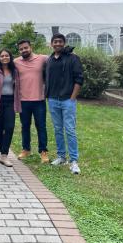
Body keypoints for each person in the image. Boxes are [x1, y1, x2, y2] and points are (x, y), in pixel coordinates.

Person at [45, 33, 84, 174]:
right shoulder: (49, 60)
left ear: (64, 43)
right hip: (53, 100)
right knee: (57, 129)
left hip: (68, 100)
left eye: (60, 42)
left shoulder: (73, 58)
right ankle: (61, 156)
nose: (57, 44)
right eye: (55, 42)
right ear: (51, 44)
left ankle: (74, 161)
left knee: (70, 130)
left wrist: (72, 98)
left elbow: (79, 79)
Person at [14, 39, 50, 163]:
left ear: (31, 47)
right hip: (23, 100)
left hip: (39, 100)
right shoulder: (16, 62)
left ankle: (43, 151)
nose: (24, 50)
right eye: (21, 49)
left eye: (25, 48)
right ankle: (26, 149)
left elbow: (58, 57)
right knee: (25, 126)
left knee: (41, 126)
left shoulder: (43, 59)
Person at [0, 49, 21, 167]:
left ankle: (4, 154)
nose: (4, 57)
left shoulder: (15, 71)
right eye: (2, 56)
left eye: (6, 55)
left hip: (10, 102)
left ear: (10, 57)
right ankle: (2, 154)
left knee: (9, 127)